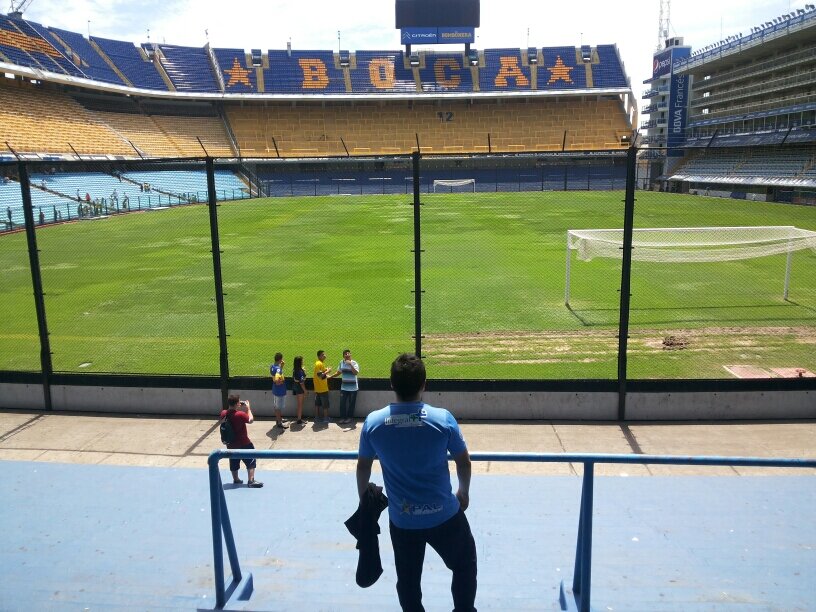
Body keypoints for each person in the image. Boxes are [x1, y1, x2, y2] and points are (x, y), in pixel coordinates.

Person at [356, 353, 476, 612]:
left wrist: (363, 497)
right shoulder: (443, 419)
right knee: (465, 565)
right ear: (424, 384)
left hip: (403, 521)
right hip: (445, 517)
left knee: (408, 583)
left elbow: (363, 465)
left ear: (391, 383)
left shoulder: (373, 423)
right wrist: (463, 492)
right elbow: (463, 462)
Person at [219, 394, 263, 488]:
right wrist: (248, 409)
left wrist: (238, 405)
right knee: (251, 459)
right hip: (244, 443)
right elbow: (250, 420)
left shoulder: (223, 413)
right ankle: (251, 480)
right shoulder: (240, 415)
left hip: (230, 444)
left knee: (233, 461)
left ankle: (236, 479)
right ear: (237, 403)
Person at [332, 348, 360, 425]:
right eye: (345, 354)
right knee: (342, 403)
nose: (347, 355)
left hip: (353, 388)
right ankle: (342, 418)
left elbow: (355, 373)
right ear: (343, 356)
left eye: (348, 353)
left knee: (351, 404)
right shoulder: (341, 362)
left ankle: (349, 418)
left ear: (350, 354)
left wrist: (350, 364)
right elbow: (338, 372)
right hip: (344, 387)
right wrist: (331, 376)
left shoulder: (354, 363)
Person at [313, 350, 333, 423]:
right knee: (325, 405)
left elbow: (321, 373)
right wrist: (328, 371)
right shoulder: (319, 364)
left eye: (324, 354)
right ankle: (326, 418)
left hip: (318, 388)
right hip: (322, 388)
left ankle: (317, 418)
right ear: (319, 356)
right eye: (323, 355)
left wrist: (326, 372)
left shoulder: (320, 363)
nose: (325, 356)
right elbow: (320, 375)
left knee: (317, 404)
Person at [270, 352, 289, 430]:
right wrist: (280, 382)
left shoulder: (272, 366)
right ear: (280, 359)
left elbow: (275, 374)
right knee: (278, 407)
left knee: (276, 406)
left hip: (275, 390)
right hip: (280, 391)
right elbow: (277, 379)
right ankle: (279, 423)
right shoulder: (278, 369)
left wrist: (281, 366)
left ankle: (279, 419)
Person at [292, 355, 308, 425]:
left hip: (296, 387)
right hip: (300, 388)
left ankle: (299, 418)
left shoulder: (295, 369)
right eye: (302, 360)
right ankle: (299, 420)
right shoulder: (299, 371)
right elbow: (301, 382)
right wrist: (305, 391)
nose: (303, 361)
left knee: (299, 404)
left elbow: (296, 379)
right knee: (300, 404)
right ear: (300, 362)